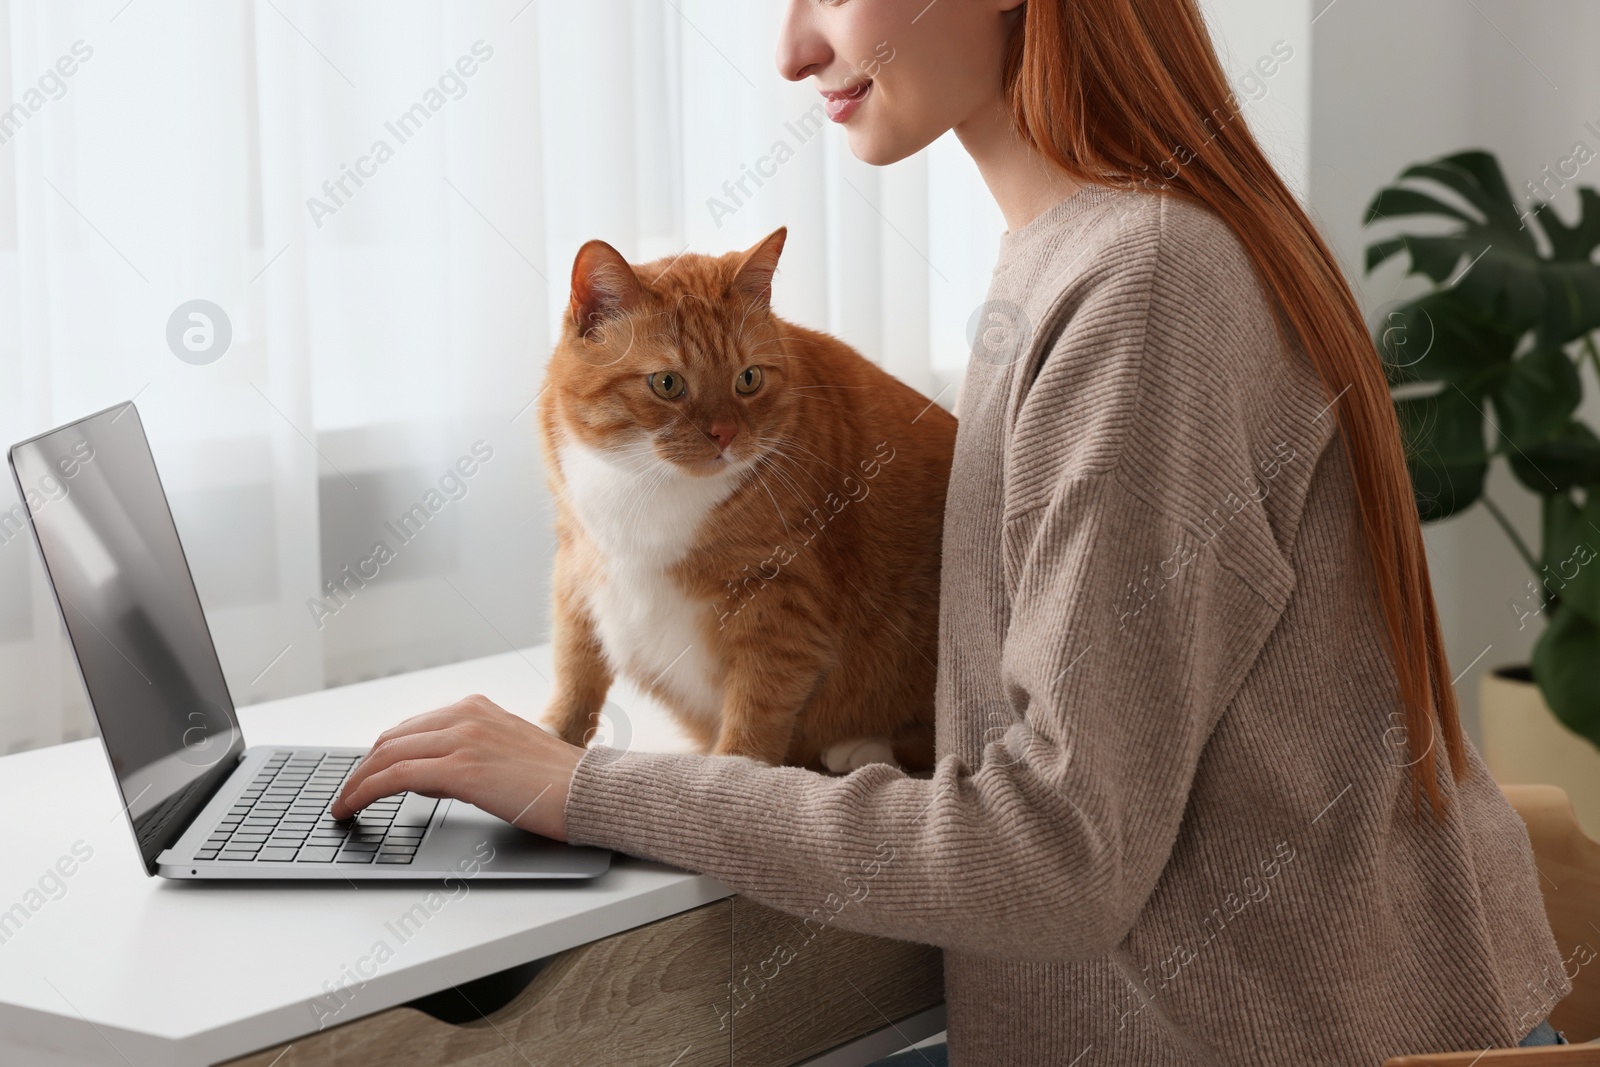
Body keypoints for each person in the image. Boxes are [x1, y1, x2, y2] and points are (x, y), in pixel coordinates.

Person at [332, 0, 1572, 1060]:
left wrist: (589, 790)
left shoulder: (1138, 289)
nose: (791, 48)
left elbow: (1057, 852)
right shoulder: (1075, 252)